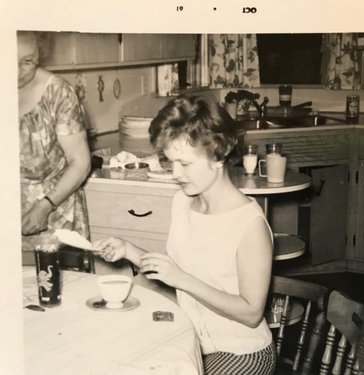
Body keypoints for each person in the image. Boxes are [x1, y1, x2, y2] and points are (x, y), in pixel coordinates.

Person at [94, 95, 276, 374]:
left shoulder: (249, 225)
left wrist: (182, 280)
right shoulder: (183, 201)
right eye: (170, 161)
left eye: (186, 164)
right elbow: (177, 268)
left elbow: (251, 314)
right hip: (194, 342)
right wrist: (128, 249)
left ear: (218, 155)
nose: (176, 173)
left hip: (242, 352)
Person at [18, 31, 91, 250]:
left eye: (27, 61)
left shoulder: (57, 92)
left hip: (53, 214)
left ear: (39, 56)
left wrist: (45, 206)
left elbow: (80, 162)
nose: (15, 71)